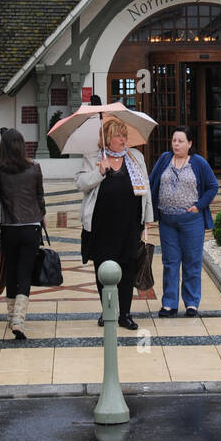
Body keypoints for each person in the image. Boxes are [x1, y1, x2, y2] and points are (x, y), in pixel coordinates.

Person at [76, 115, 153, 331]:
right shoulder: (93, 158)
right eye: (118, 135)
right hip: (102, 227)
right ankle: (108, 310)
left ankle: (125, 314)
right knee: (103, 269)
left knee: (128, 269)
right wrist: (99, 171)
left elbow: (145, 189)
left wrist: (148, 220)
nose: (123, 139)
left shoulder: (135, 156)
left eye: (124, 135)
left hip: (129, 225)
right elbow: (80, 183)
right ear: (107, 138)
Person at [0, 128, 45, 339]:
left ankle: (11, 317)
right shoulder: (35, 168)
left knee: (11, 271)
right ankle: (19, 319)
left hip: (9, 228)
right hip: (31, 227)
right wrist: (41, 215)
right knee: (25, 272)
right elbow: (40, 198)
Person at [149, 127, 219, 318]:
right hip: (167, 221)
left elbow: (213, 186)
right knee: (170, 262)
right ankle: (169, 304)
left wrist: (199, 206)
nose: (176, 144)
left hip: (191, 221)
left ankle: (191, 303)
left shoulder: (199, 163)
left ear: (190, 144)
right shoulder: (164, 159)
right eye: (174, 141)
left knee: (192, 262)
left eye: (180, 141)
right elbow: (151, 182)